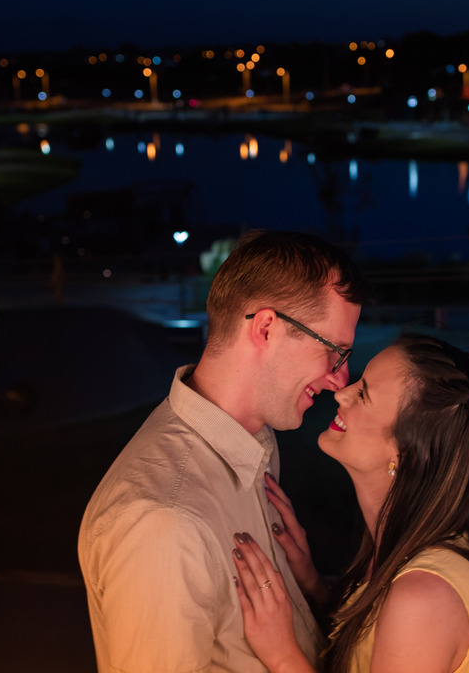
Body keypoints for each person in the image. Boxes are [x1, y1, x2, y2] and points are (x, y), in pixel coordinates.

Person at [78, 230, 370, 672]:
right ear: (267, 328)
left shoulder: (255, 441)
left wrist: (310, 583)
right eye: (333, 351)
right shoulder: (166, 524)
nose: (340, 379)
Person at [232, 333, 469, 673]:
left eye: (363, 394)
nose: (342, 393)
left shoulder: (422, 600)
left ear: (405, 455)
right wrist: (314, 586)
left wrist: (282, 654)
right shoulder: (421, 550)